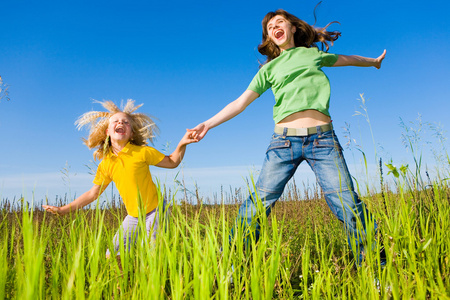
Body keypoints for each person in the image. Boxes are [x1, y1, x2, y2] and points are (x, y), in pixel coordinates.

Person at [190, 9, 386, 264]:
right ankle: (232, 263)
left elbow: (348, 59)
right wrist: (207, 124)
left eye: (279, 22)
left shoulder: (313, 54)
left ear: (293, 28)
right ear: (270, 38)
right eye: (270, 27)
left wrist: (374, 61)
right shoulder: (269, 70)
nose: (274, 28)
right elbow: (239, 103)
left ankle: (374, 266)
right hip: (283, 142)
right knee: (258, 203)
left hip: (323, 140)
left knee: (346, 200)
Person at [43, 100, 198, 257]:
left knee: (152, 254)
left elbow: (172, 162)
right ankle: (122, 281)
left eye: (126, 122)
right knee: (112, 254)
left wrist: (183, 143)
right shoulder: (106, 164)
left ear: (131, 134)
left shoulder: (142, 152)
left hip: (156, 210)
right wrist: (63, 210)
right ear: (108, 132)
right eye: (116, 121)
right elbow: (93, 194)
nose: (121, 123)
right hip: (133, 216)